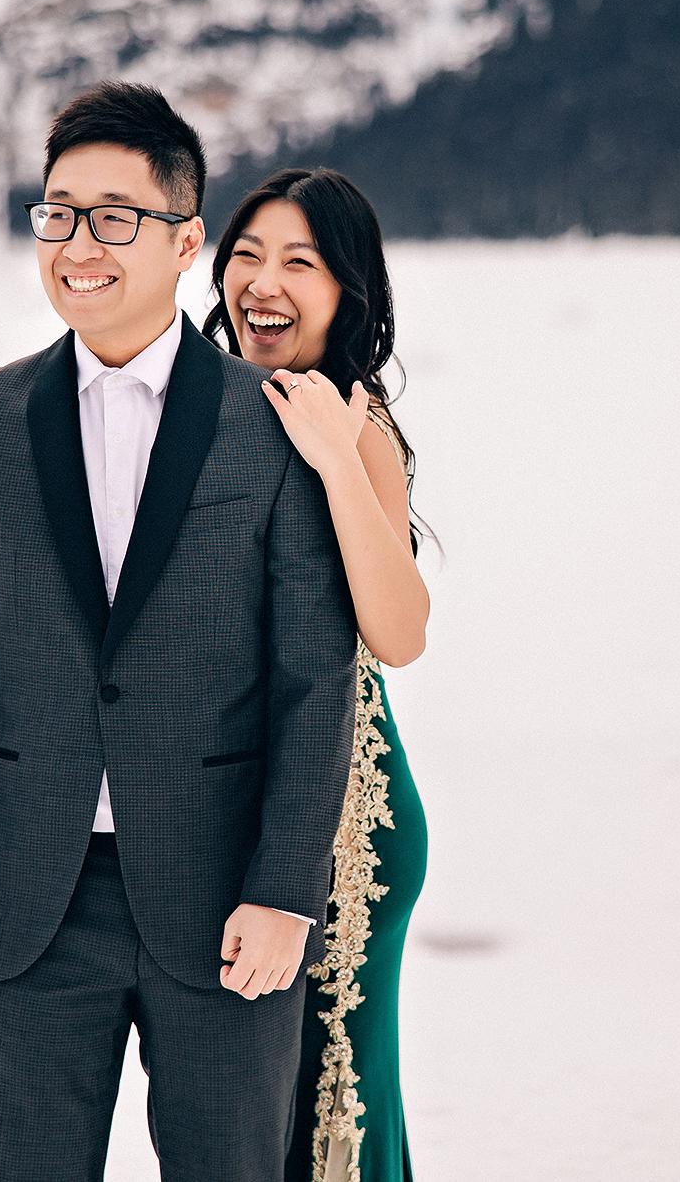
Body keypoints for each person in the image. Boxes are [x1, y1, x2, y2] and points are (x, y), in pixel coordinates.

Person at [0, 80, 359, 1181]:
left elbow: (311, 677)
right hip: (22, 900)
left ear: (185, 241)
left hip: (226, 897)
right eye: (57, 212)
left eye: (113, 216)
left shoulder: (272, 418)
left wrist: (286, 887)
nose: (77, 244)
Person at [202, 168, 432, 1182]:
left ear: (346, 291)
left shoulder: (353, 418)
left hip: (347, 826)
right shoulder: (202, 406)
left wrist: (338, 458)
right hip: (238, 810)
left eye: (300, 261)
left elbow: (398, 630)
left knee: (332, 1106)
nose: (264, 281)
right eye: (247, 254)